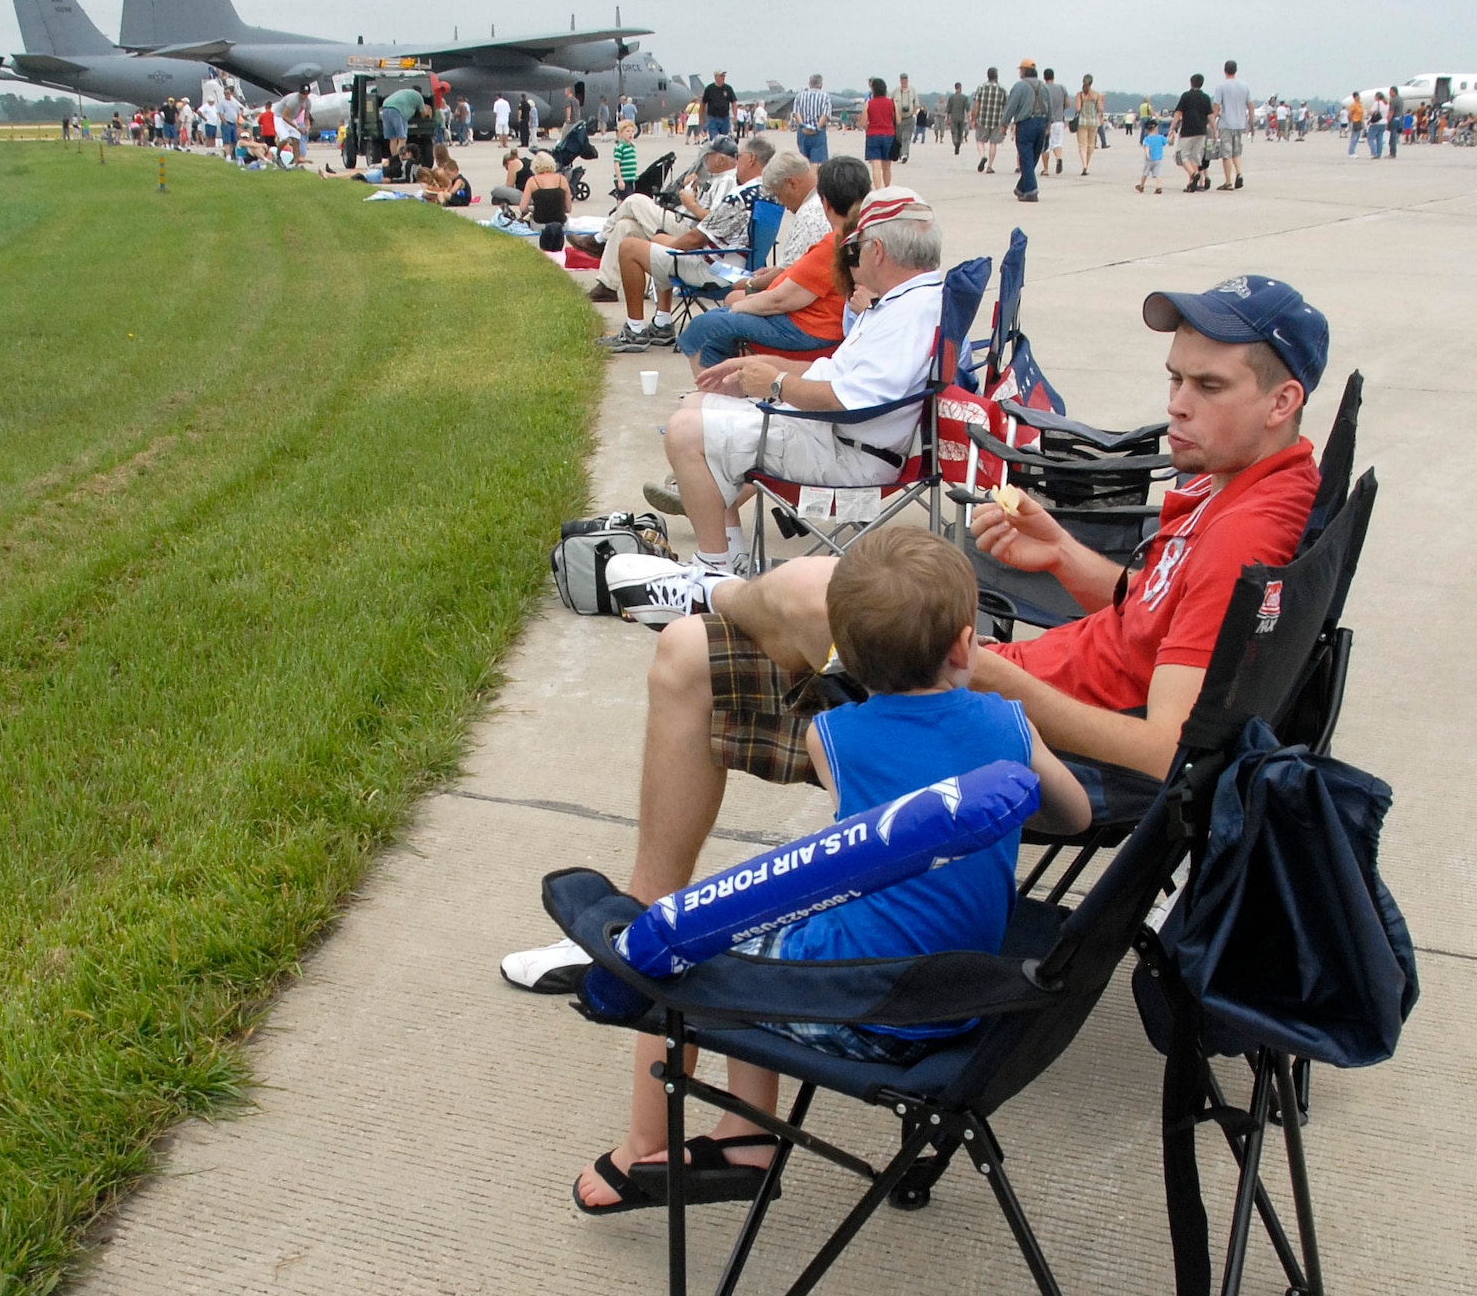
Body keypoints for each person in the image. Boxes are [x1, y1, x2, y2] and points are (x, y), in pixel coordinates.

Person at [535, 274, 1331, 1206]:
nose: (1175, 404)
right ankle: (659, 854)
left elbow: (1166, 753)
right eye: (1175, 378)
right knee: (693, 654)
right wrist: (1066, 559)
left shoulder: (1246, 537)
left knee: (761, 616)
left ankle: (660, 869)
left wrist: (1002, 678)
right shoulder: (1236, 488)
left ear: (1282, 401)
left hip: (1006, 731)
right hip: (1014, 710)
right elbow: (1152, 617)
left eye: (1208, 386)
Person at [568, 532, 1091, 1213]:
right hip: (964, 997)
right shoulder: (1010, 723)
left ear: (845, 653)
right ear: (966, 646)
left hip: (859, 1006)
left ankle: (664, 1144)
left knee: (699, 945)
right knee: (772, 926)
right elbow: (1076, 816)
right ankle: (739, 1136)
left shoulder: (833, 736)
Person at [613, 189, 942, 582]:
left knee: (687, 433)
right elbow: (838, 375)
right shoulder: (904, 302)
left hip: (850, 455)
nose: (849, 258)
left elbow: (845, 400)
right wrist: (761, 366)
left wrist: (775, 385)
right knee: (698, 403)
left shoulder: (905, 315)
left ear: (879, 251)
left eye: (854, 248)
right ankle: (727, 562)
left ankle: (713, 573)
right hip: (844, 438)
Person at [672, 154, 871, 375]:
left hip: (812, 329)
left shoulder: (832, 244)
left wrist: (739, 306)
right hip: (821, 322)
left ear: (825, 202)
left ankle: (713, 395)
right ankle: (723, 388)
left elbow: (781, 300)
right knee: (718, 320)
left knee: (705, 327)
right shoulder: (863, 236)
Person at [597, 135, 774, 353]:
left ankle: (635, 331)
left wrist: (672, 242)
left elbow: (695, 239)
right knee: (657, 241)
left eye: (741, 156)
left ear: (752, 159)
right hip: (736, 263)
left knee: (629, 247)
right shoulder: (767, 193)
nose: (737, 161)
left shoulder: (740, 194)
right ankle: (662, 323)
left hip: (714, 270)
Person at [999, 59, 1050, 203]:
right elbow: (1049, 105)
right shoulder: (1043, 86)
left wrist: (1004, 124)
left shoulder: (1020, 86)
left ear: (1024, 71)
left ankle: (1031, 190)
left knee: (1026, 157)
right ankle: (1021, 188)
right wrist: (1048, 124)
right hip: (1041, 123)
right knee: (1033, 158)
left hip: (1026, 124)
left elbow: (1011, 106)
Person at [1169, 73, 1214, 191]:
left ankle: (1194, 174)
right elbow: (1211, 115)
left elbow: (1178, 113)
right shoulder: (1205, 97)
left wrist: (1172, 128)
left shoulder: (1186, 96)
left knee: (1182, 156)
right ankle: (1192, 184)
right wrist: (1215, 129)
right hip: (1201, 131)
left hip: (1187, 131)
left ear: (1191, 82)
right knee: (1195, 157)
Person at [1210, 59, 1251, 190]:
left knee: (1226, 153)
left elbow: (1216, 107)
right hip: (1240, 123)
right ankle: (1239, 173)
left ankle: (1228, 181)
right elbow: (1250, 105)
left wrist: (1211, 123)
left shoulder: (1221, 87)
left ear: (1225, 70)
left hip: (1226, 123)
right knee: (1236, 152)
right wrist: (1250, 121)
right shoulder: (1244, 86)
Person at [859, 77, 897, 187]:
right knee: (887, 166)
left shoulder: (869, 104)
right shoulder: (891, 103)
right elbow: (897, 120)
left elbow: (863, 123)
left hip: (873, 135)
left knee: (876, 165)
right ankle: (887, 187)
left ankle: (878, 189)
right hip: (888, 135)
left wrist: (869, 127)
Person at [790, 74, 832, 163]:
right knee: (817, 162)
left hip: (802, 133)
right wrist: (816, 128)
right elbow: (825, 115)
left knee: (803, 161)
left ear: (809, 84)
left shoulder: (799, 96)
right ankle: (814, 176)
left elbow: (796, 113)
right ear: (821, 84)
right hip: (818, 133)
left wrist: (803, 127)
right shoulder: (825, 97)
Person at [971, 68, 1007, 173]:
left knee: (980, 140)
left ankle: (983, 156)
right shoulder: (1002, 89)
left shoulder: (981, 88)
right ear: (996, 76)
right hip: (997, 119)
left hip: (983, 119)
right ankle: (990, 166)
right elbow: (1006, 106)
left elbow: (976, 105)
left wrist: (974, 118)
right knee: (993, 143)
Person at [380, 85, 423, 160]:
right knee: (402, 138)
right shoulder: (418, 95)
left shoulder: (404, 91)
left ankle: (394, 159)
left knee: (392, 139)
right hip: (397, 110)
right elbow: (423, 112)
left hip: (385, 108)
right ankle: (400, 159)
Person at [1040, 69, 1069, 177]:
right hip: (1059, 120)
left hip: (1046, 120)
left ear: (1044, 77)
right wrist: (1061, 108)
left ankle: (1046, 169)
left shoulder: (1042, 88)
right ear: (1053, 76)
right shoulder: (1061, 88)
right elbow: (1067, 103)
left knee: (1045, 146)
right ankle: (1059, 158)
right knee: (1057, 143)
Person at [1073, 75, 1104, 174]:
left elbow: (1077, 108)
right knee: (1091, 145)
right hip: (1093, 122)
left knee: (1082, 145)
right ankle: (1087, 164)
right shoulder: (1096, 95)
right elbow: (1100, 109)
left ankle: (1084, 165)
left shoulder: (1080, 95)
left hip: (1082, 121)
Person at [700, 70, 737, 141]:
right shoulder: (709, 89)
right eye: (721, 76)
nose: (723, 78)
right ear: (716, 77)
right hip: (713, 118)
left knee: (724, 139)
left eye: (724, 76)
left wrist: (735, 116)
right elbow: (703, 103)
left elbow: (734, 102)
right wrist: (700, 117)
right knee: (715, 139)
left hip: (725, 118)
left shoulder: (728, 88)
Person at [1136, 117, 1168, 193]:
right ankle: (1159, 187)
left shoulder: (1147, 139)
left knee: (1145, 173)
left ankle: (1141, 186)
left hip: (1149, 159)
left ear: (1147, 129)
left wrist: (1147, 154)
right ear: (1157, 128)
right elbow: (1167, 142)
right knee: (1158, 174)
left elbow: (1146, 147)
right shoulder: (1160, 137)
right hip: (1158, 159)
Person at [893, 72, 920, 163]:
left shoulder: (912, 90)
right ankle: (901, 153)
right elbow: (891, 102)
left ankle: (905, 154)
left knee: (906, 137)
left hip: (909, 118)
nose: (903, 81)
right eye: (902, 79)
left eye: (905, 79)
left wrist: (913, 114)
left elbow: (916, 104)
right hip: (898, 118)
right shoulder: (896, 91)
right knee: (899, 137)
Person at [611, 119, 639, 192]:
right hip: (623, 179)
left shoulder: (632, 146)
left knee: (629, 198)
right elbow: (616, 164)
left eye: (632, 131)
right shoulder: (620, 147)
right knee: (624, 199)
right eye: (627, 131)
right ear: (620, 133)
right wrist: (620, 180)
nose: (630, 134)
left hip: (631, 178)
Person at [944, 81, 970, 155]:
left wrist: (947, 118)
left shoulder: (951, 98)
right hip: (961, 118)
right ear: (960, 88)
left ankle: (955, 143)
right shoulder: (964, 98)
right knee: (960, 133)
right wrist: (969, 118)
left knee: (954, 132)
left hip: (954, 118)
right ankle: (958, 144)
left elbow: (948, 109)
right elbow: (968, 108)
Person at [1387, 85, 1402, 159]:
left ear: (1394, 92)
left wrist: (1388, 121)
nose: (1389, 93)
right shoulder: (1400, 99)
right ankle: (1393, 152)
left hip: (1393, 119)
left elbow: (1391, 111)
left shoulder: (1393, 100)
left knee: (1392, 137)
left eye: (1390, 92)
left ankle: (1392, 153)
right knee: (1394, 136)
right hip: (1399, 119)